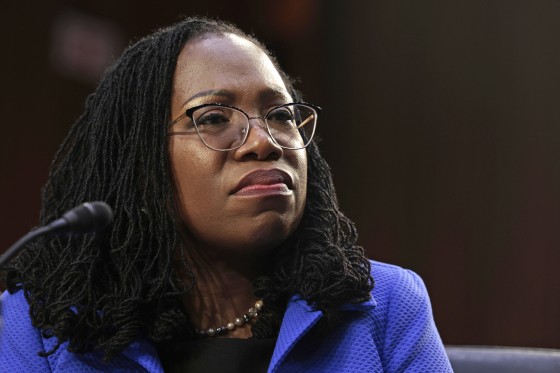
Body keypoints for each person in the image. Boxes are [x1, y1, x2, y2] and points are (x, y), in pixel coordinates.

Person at [0, 17, 452, 372]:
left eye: (281, 114)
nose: (266, 141)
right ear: (142, 163)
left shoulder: (386, 306)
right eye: (215, 118)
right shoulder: (37, 325)